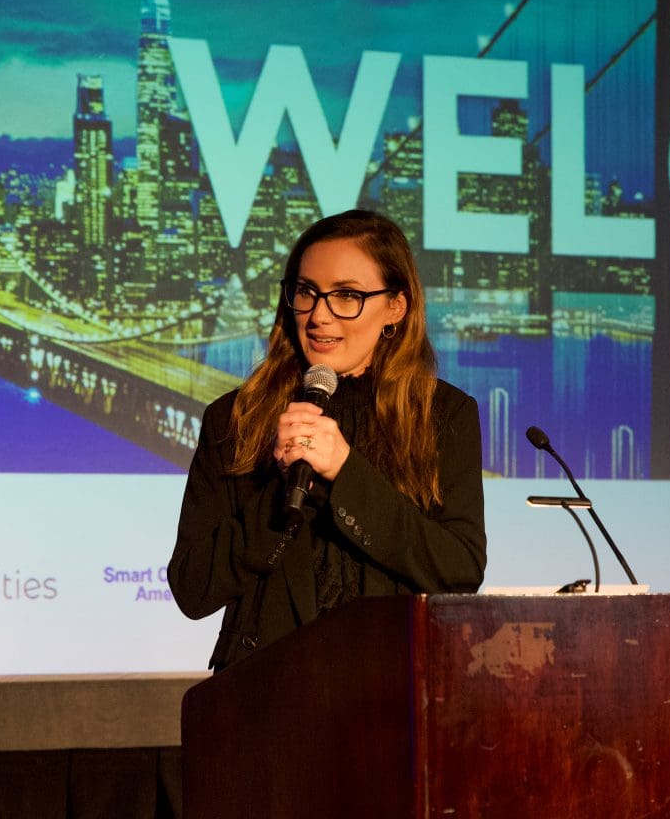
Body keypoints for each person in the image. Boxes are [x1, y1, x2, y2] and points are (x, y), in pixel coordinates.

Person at [168, 209, 487, 670]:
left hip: (392, 685)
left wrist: (346, 473)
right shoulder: (235, 417)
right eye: (306, 292)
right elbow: (192, 588)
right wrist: (280, 492)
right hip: (265, 689)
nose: (318, 315)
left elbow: (459, 570)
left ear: (395, 307)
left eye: (346, 295)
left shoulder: (443, 415)